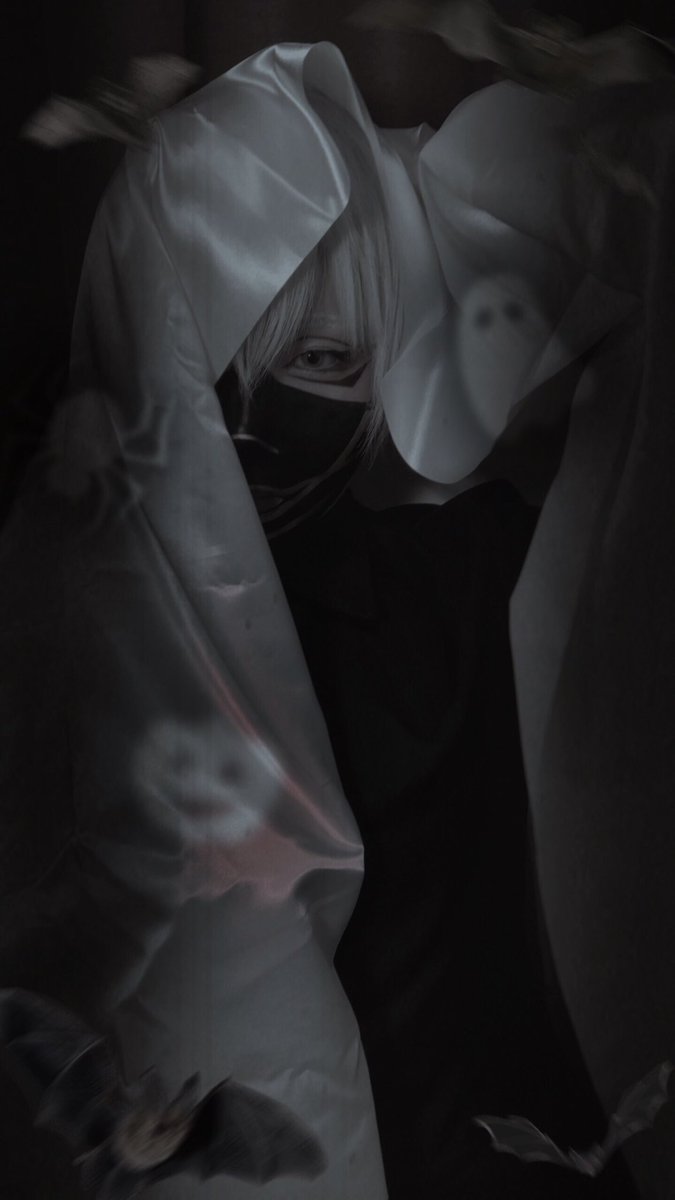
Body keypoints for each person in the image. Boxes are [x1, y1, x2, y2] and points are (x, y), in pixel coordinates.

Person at [1, 36, 672, 1199]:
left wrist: (412, 199)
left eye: (326, 356)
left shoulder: (440, 570)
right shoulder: (86, 632)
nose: (262, 408)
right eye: (230, 356)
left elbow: (617, 210)